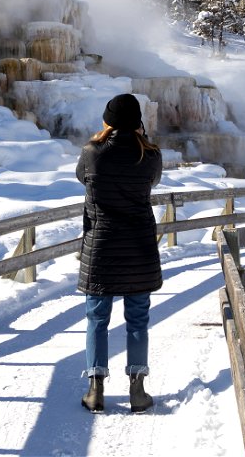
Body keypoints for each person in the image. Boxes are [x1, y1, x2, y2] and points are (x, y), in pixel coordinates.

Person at [76, 93, 163, 414]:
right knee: (138, 322)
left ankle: (95, 389)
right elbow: (153, 181)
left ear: (108, 120)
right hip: (139, 248)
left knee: (97, 319)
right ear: (138, 122)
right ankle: (138, 391)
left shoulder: (92, 153)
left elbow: (81, 178)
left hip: (101, 246)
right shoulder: (151, 156)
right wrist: (143, 138)